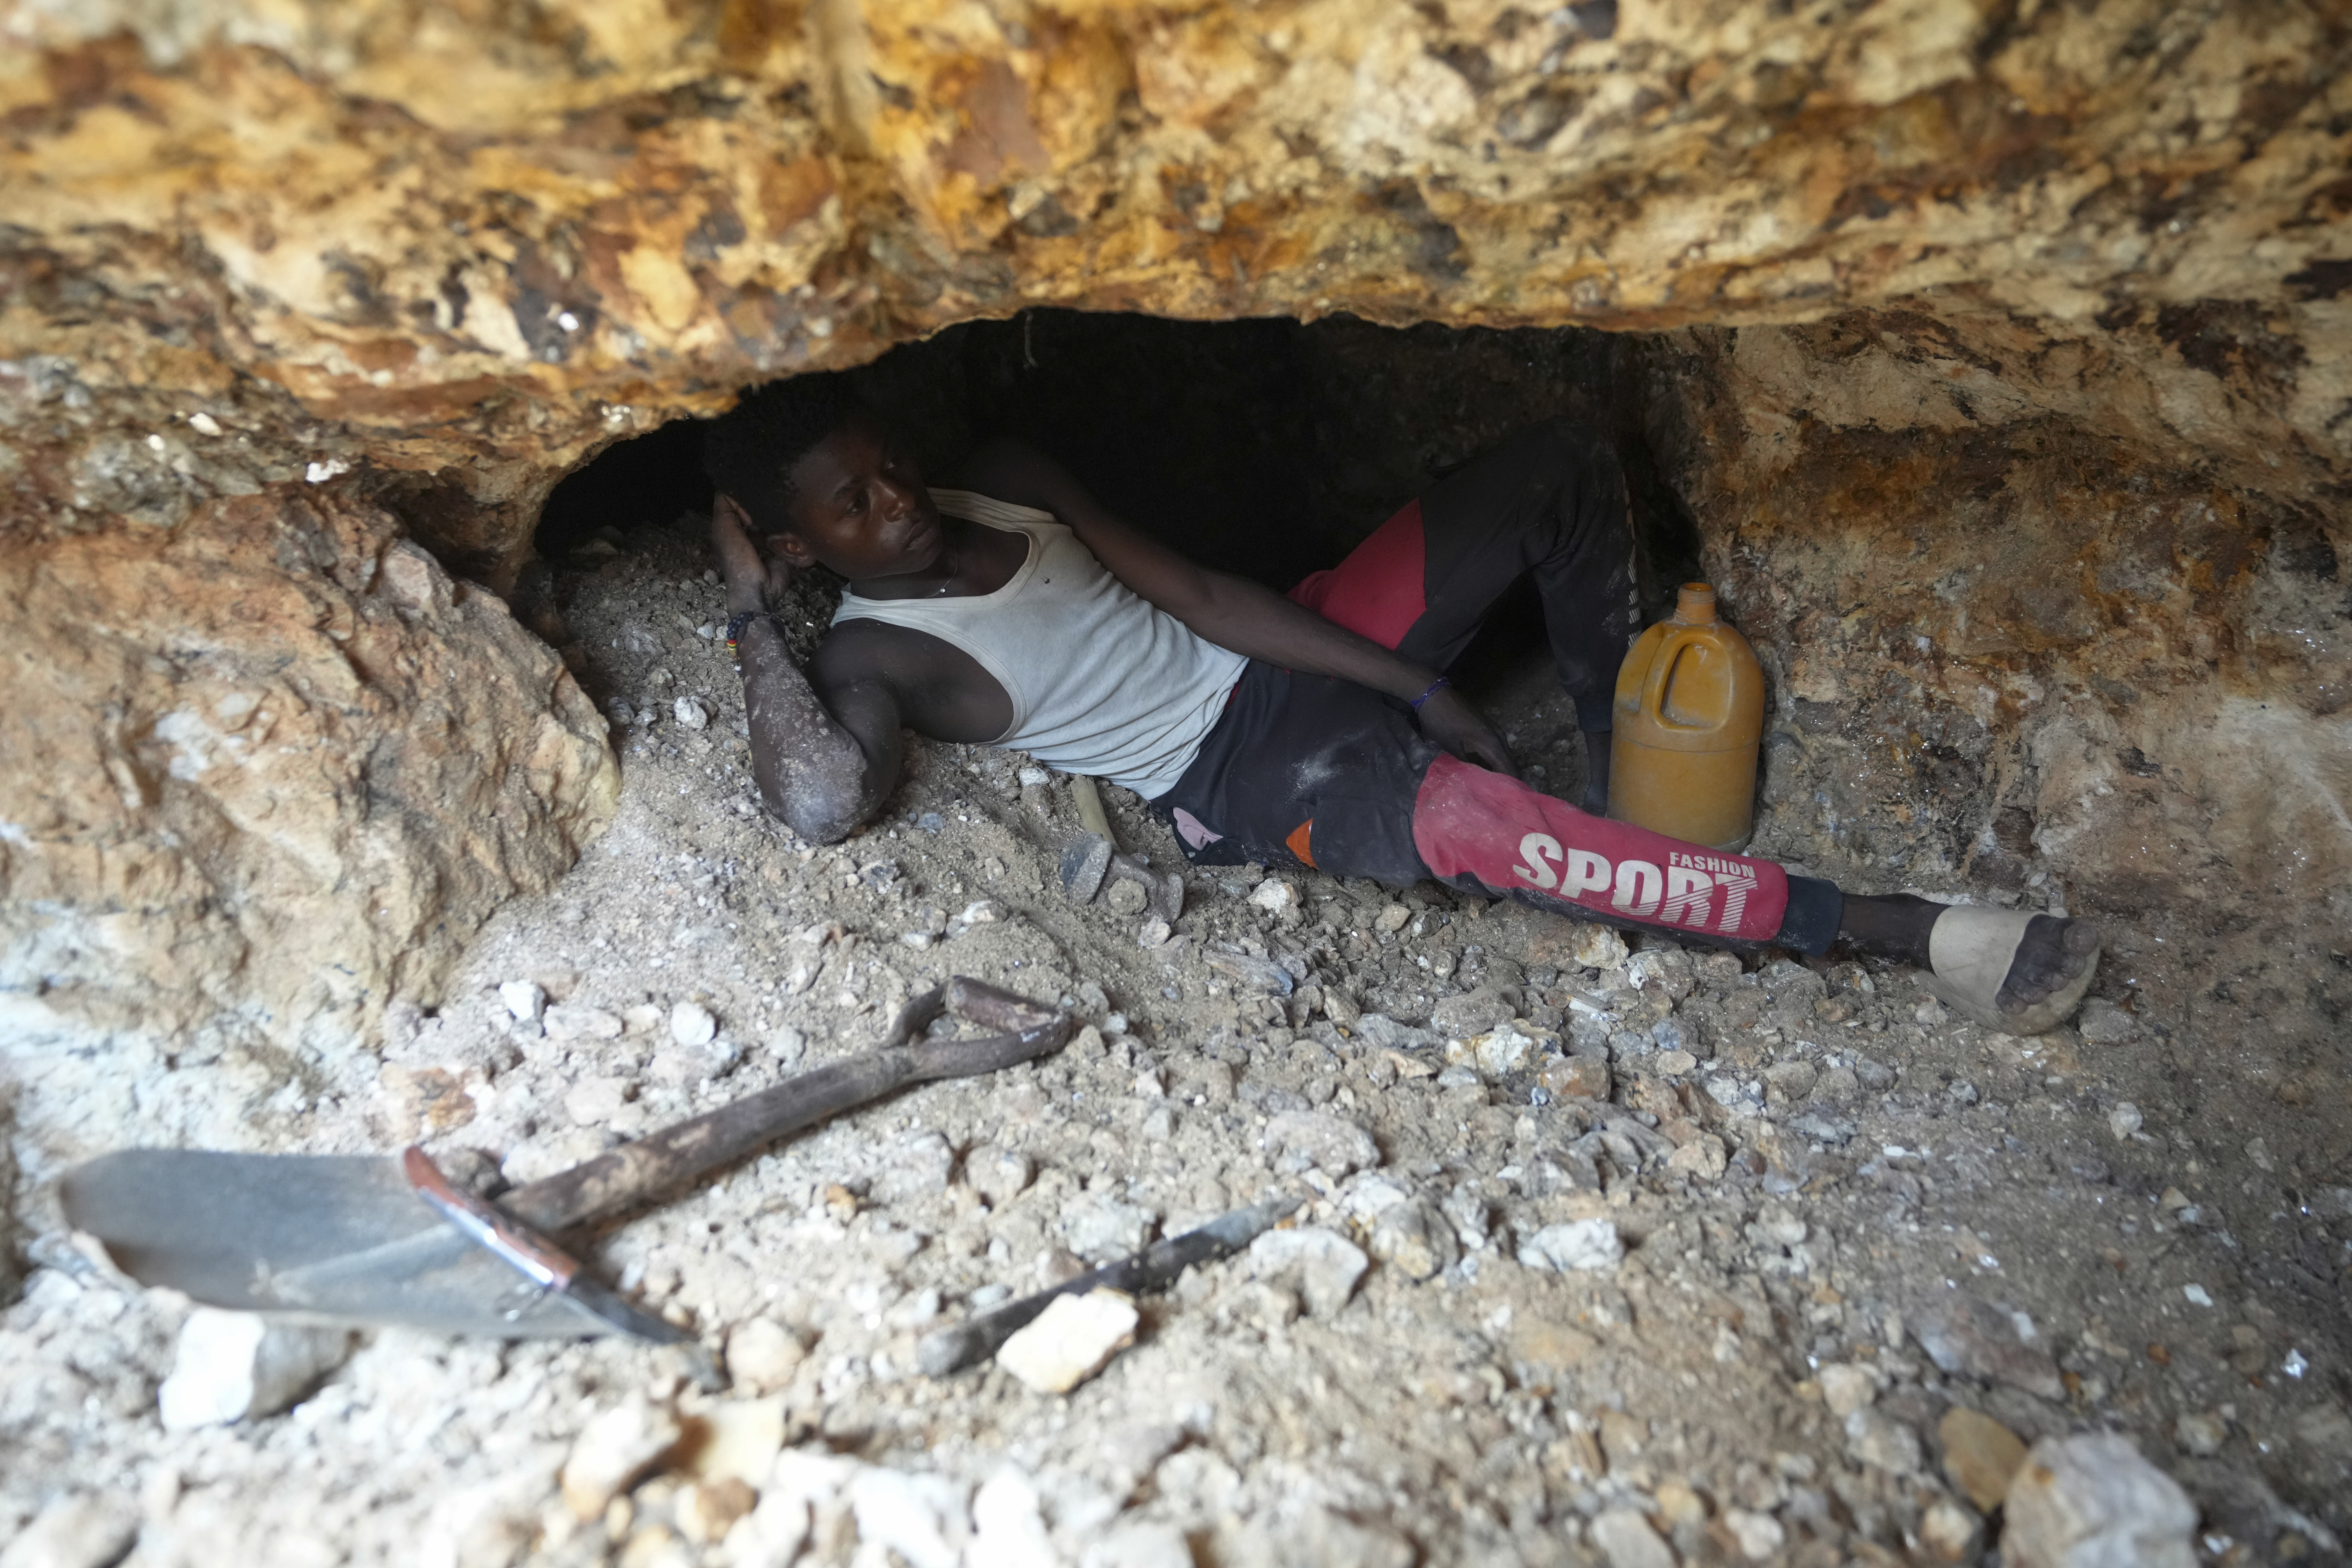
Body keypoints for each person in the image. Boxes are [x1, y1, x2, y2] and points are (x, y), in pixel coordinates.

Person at [699, 376, 2100, 1036]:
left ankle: (1627, 778)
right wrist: (753, 613)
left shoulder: (998, 465)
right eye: (855, 506)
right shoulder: (868, 661)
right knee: (1490, 829)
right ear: (803, 541)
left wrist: (1417, 676)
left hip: (1293, 647)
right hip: (1246, 785)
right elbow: (821, 802)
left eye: (892, 465)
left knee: (1554, 462)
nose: (901, 504)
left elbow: (1197, 590)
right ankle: (1903, 932)